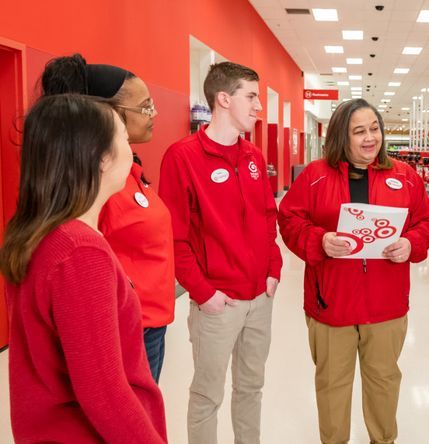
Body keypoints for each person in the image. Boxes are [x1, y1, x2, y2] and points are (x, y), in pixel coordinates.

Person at [0, 94, 166, 443]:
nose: (130, 147)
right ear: (101, 157)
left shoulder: (39, 234)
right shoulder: (80, 252)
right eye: (123, 136)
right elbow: (105, 394)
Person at [278, 98, 429, 444]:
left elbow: (427, 222)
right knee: (332, 386)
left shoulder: (405, 177)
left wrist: (411, 243)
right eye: (359, 131)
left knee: (384, 383)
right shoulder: (315, 176)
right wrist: (319, 240)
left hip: (386, 304)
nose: (370, 138)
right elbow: (289, 220)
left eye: (375, 128)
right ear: (341, 136)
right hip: (331, 303)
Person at [158, 61, 282, 444]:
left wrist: (273, 269)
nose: (259, 106)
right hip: (218, 302)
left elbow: (266, 218)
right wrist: (204, 293)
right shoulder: (183, 157)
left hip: (260, 297)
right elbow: (173, 237)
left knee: (251, 388)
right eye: (251, 96)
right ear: (223, 99)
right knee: (207, 395)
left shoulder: (254, 158)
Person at [40, 54, 174, 383]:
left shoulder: (129, 173)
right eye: (145, 107)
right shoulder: (97, 185)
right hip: (126, 327)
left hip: (150, 322)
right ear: (107, 115)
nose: (154, 114)